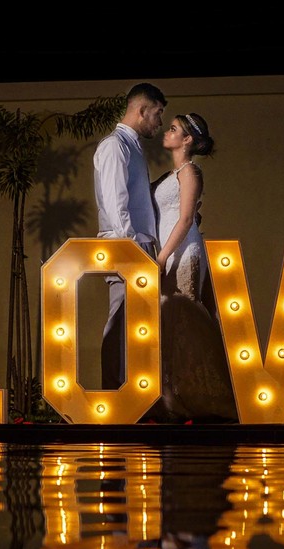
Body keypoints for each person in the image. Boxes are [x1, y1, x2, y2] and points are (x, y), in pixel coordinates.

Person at [148, 113, 237, 422]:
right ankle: (172, 396)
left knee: (183, 316)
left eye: (173, 129)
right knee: (168, 320)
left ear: (187, 140)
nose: (167, 132)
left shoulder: (190, 172)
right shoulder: (170, 175)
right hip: (168, 248)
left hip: (183, 251)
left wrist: (163, 257)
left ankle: (197, 397)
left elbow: (186, 219)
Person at [94, 82, 167, 390]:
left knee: (139, 327)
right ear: (142, 110)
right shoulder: (115, 146)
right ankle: (113, 394)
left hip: (141, 246)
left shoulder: (132, 147)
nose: (160, 122)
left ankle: (134, 394)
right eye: (158, 113)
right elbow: (115, 204)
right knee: (120, 322)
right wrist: (131, 250)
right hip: (127, 247)